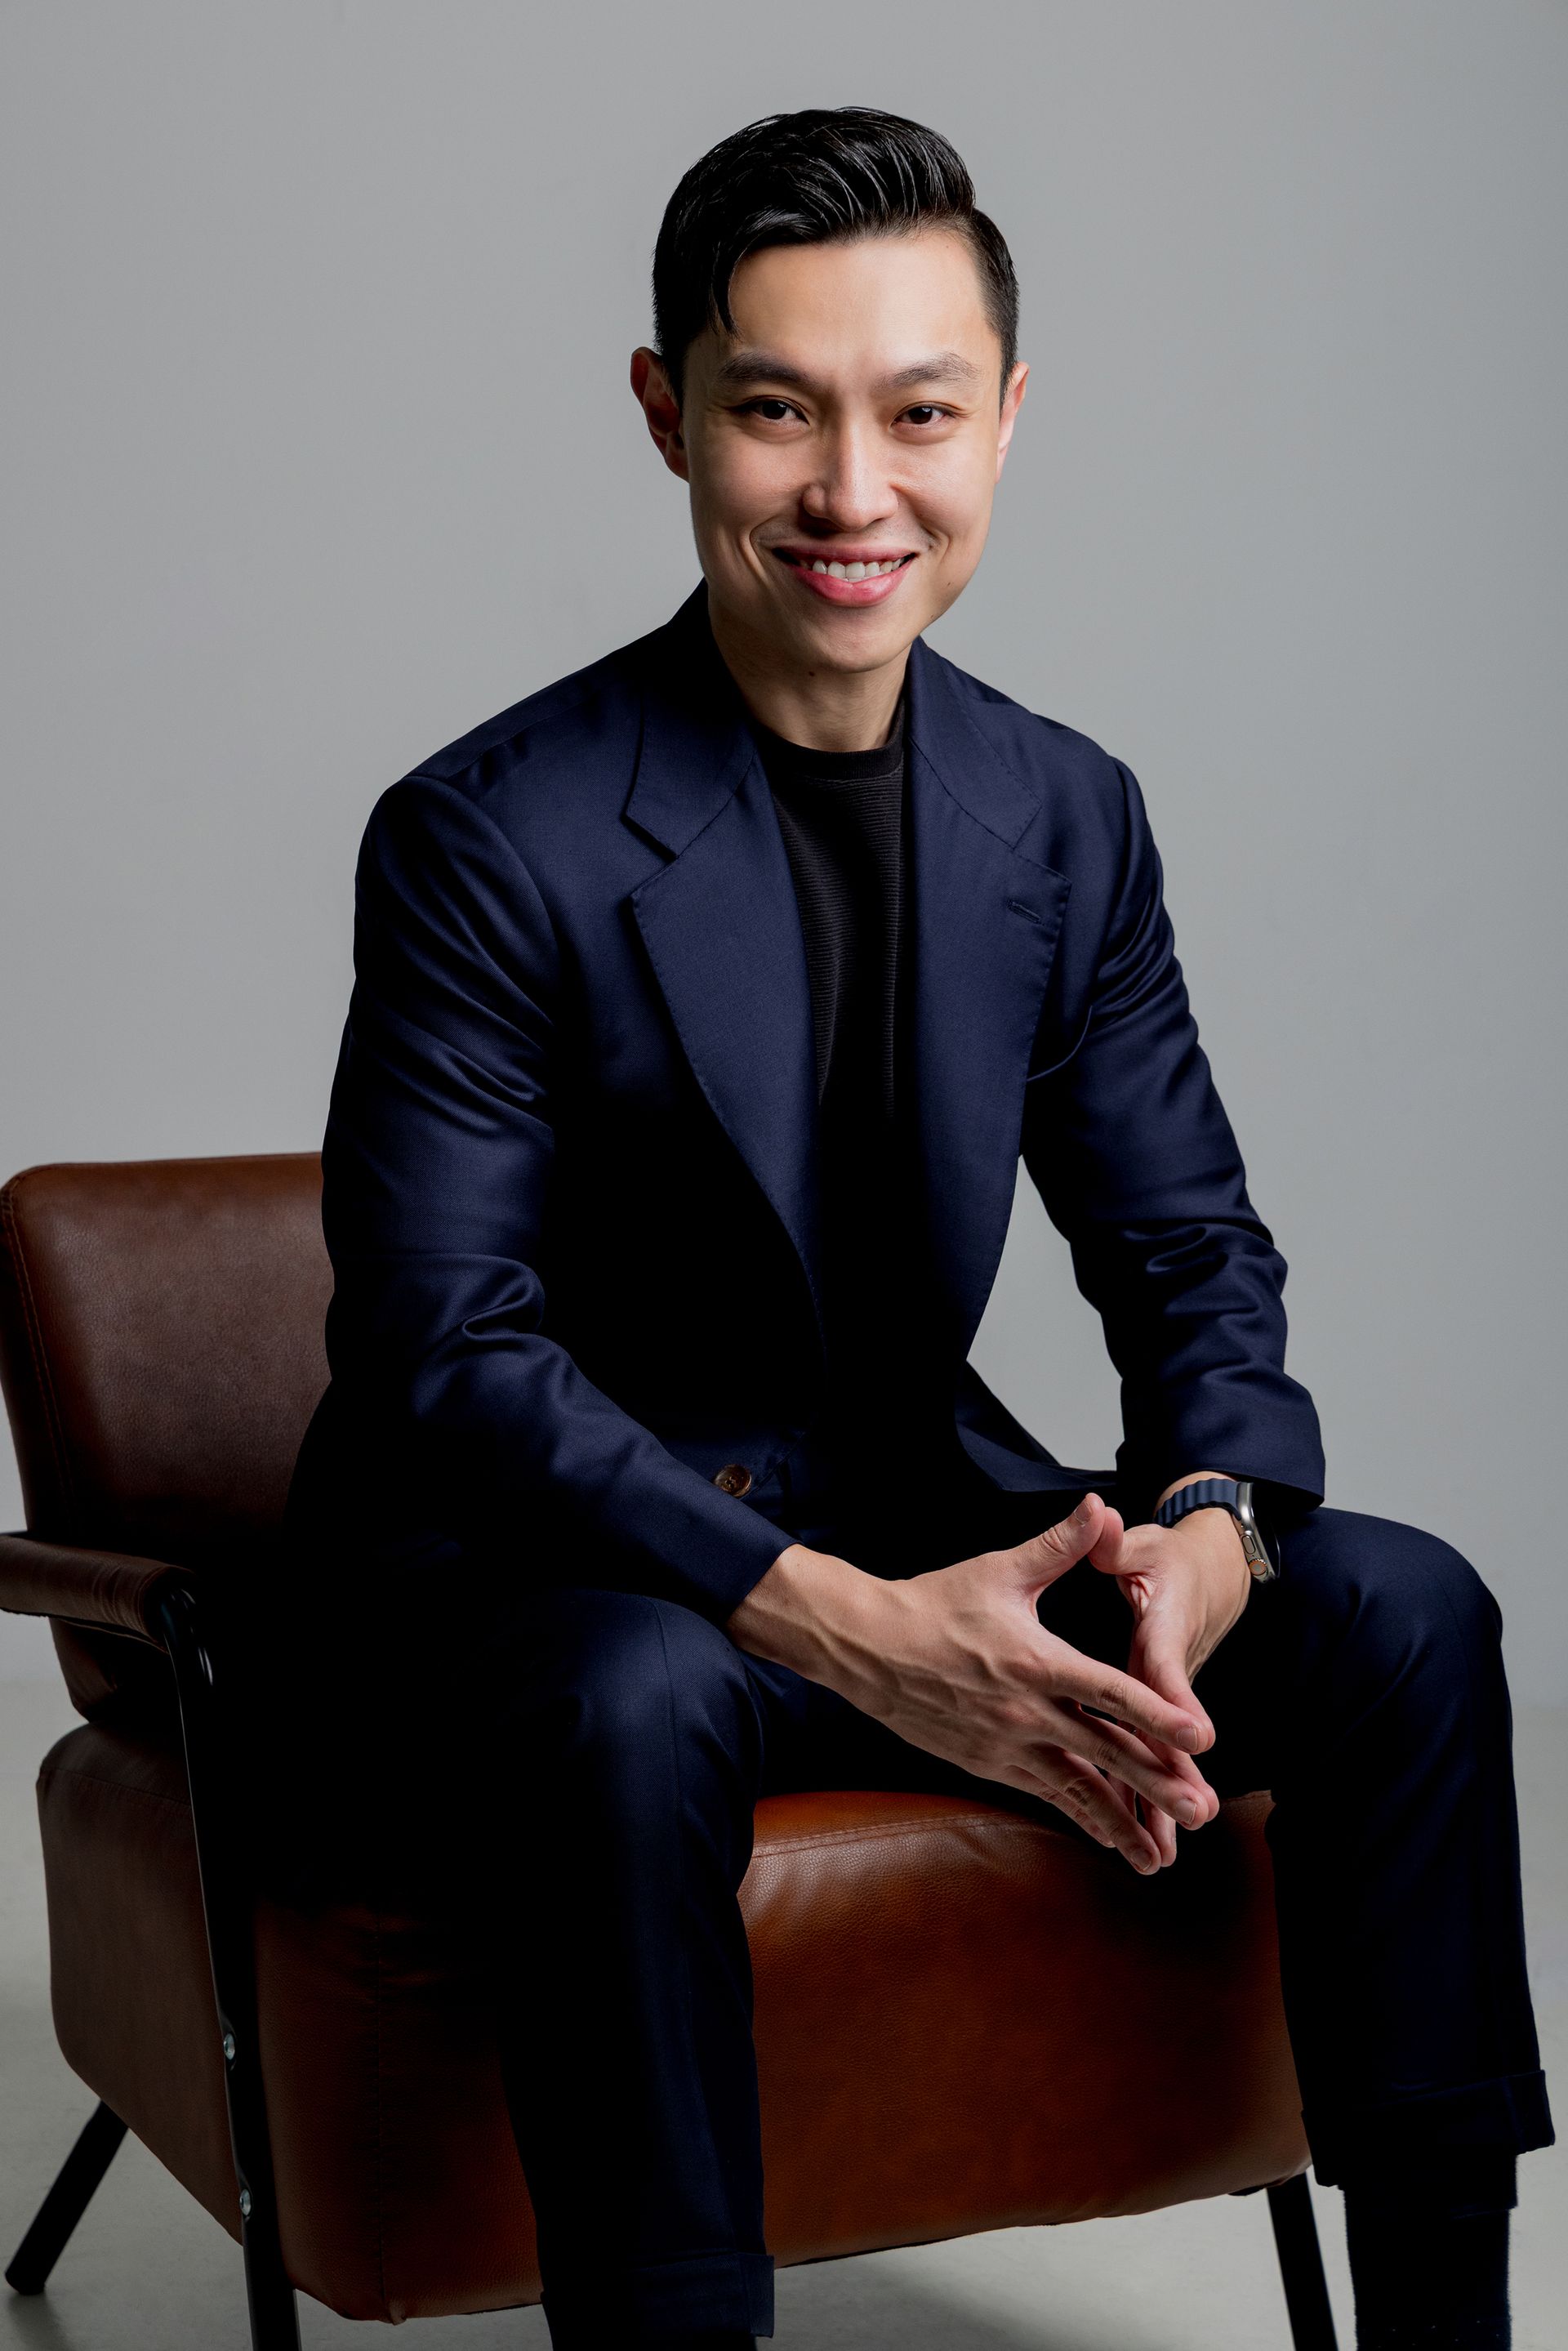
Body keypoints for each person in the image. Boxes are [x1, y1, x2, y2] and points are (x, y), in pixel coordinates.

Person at [283, 107, 1552, 2351]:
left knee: (1405, 1612)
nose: (855, 492)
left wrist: (1210, 1526)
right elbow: (448, 1361)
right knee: (645, 1690)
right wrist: (850, 1630)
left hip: (916, 1518)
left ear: (1006, 422)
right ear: (670, 411)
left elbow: (1193, 1259)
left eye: (920, 412)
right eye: (776, 407)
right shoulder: (492, 835)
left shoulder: (1061, 815)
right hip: (539, 1593)